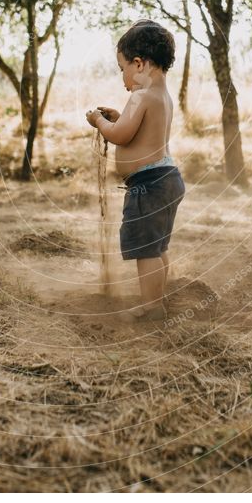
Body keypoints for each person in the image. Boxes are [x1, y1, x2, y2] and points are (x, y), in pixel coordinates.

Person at [86, 20, 185, 320]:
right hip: (166, 179)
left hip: (148, 184)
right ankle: (157, 297)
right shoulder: (161, 97)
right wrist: (118, 116)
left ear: (139, 64)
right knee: (157, 247)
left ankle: (152, 307)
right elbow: (137, 129)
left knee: (146, 250)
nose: (123, 78)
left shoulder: (140, 96)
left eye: (122, 68)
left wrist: (100, 122)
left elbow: (121, 135)